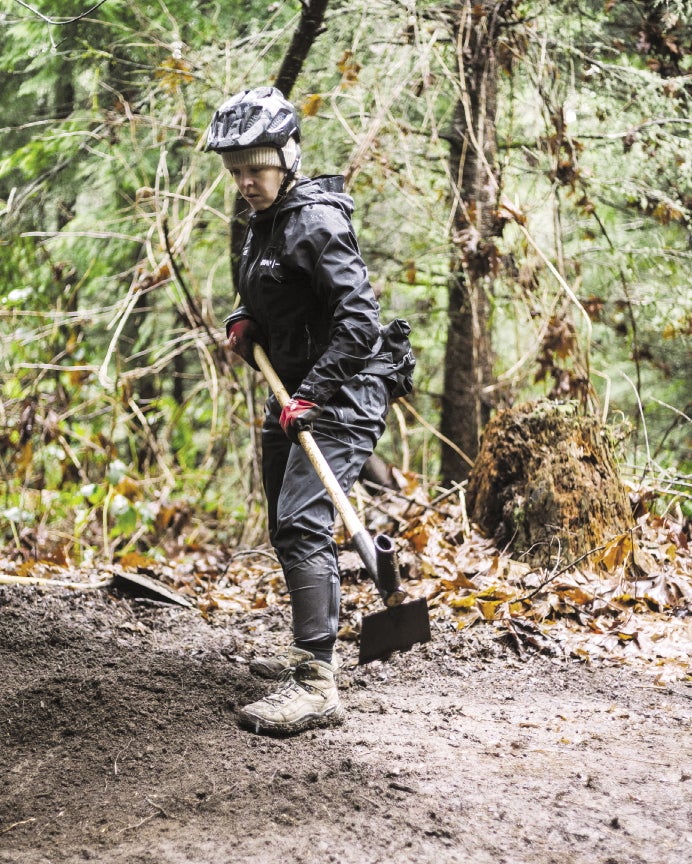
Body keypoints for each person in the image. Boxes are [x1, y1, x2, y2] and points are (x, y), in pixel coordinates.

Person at [206, 86, 396, 735]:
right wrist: (245, 318)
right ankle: (306, 651)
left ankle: (316, 684)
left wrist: (313, 392)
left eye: (255, 168)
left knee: (300, 522)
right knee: (286, 523)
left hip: (343, 390)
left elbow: (359, 320)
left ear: (285, 156)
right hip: (294, 390)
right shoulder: (265, 220)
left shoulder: (315, 220)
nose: (245, 182)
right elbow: (273, 295)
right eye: (235, 172)